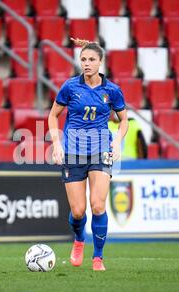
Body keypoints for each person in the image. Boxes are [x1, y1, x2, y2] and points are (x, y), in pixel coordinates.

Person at [48, 38, 129, 271]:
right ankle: (79, 240)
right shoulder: (70, 87)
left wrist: (116, 141)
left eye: (92, 59)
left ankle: (98, 258)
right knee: (78, 211)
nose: (86, 64)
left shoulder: (112, 90)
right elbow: (53, 115)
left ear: (101, 62)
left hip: (100, 150)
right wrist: (56, 143)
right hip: (73, 152)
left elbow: (124, 120)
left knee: (98, 206)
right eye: (83, 59)